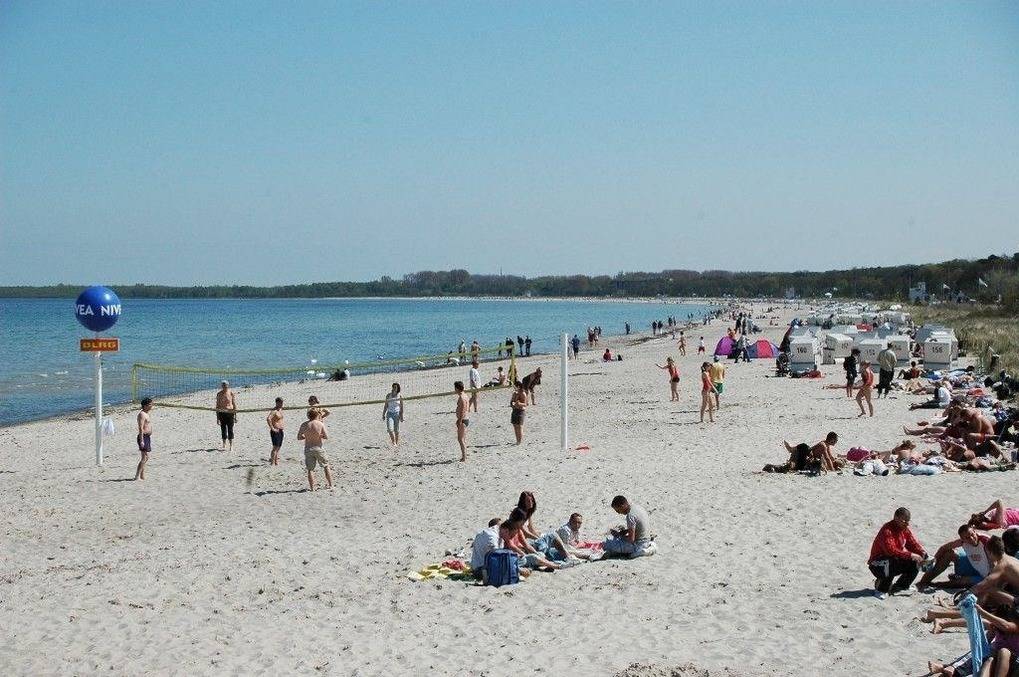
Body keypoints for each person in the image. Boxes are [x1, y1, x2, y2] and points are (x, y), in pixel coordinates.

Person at [868, 507, 927, 599]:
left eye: (908, 521)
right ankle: (881, 589)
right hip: (877, 563)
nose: (907, 524)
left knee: (915, 561)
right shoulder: (887, 530)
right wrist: (911, 555)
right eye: (904, 521)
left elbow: (912, 544)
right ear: (896, 518)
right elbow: (891, 551)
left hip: (893, 559)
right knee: (892, 561)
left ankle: (901, 586)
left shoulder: (904, 530)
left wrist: (923, 554)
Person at [916, 524, 991, 591]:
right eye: (967, 538)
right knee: (949, 554)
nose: (971, 538)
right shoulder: (962, 542)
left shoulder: (986, 542)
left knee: (962, 582)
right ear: (962, 539)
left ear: (974, 531)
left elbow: (996, 563)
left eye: (972, 535)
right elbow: (943, 548)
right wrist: (933, 561)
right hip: (974, 566)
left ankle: (935, 584)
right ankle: (924, 581)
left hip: (986, 576)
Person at [297, 408, 332, 491]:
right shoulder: (320, 424)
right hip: (318, 447)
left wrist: (306, 436)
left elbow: (299, 437)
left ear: (308, 415)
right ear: (317, 415)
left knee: (310, 469)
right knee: (326, 466)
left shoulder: (304, 424)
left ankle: (312, 488)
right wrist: (320, 436)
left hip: (308, 448)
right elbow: (326, 436)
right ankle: (331, 484)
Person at [134, 397, 153, 481]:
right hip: (143, 437)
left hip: (147, 437)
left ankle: (142, 475)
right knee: (145, 457)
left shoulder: (146, 413)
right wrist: (141, 440)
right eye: (150, 404)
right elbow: (141, 428)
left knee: (145, 457)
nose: (151, 406)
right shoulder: (141, 414)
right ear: (145, 405)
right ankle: (137, 476)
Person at [215, 381, 237, 451]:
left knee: (230, 429)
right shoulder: (219, 394)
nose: (224, 386)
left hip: (230, 413)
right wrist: (217, 418)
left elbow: (234, 405)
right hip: (222, 413)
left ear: (228, 385)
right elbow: (217, 406)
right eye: (223, 385)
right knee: (223, 429)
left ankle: (231, 445)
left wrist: (235, 416)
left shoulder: (231, 393)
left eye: (225, 385)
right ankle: (224, 444)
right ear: (221, 386)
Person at [266, 397, 285, 465]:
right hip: (275, 431)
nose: (282, 404)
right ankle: (272, 462)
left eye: (282, 402)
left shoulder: (280, 409)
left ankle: (276, 461)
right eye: (281, 403)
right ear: (277, 403)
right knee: (275, 447)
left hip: (280, 430)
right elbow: (268, 419)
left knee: (279, 447)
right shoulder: (274, 411)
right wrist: (272, 428)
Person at [454, 381, 469, 462]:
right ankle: (465, 455)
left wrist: (459, 421)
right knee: (463, 438)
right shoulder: (465, 395)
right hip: (465, 419)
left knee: (460, 439)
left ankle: (464, 457)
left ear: (457, 388)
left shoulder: (462, 398)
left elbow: (463, 410)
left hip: (463, 420)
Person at [510, 380, 527, 444]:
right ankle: (517, 440)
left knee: (519, 426)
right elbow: (512, 401)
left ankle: (519, 441)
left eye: (515, 386)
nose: (514, 387)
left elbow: (525, 404)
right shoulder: (515, 393)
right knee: (515, 425)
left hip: (520, 411)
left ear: (518, 386)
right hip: (515, 410)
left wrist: (519, 404)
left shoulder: (523, 393)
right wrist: (512, 404)